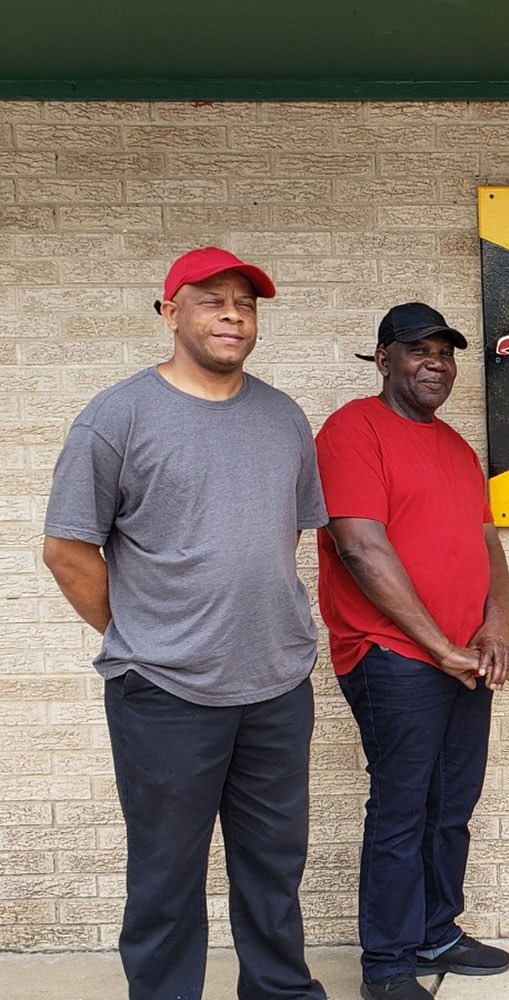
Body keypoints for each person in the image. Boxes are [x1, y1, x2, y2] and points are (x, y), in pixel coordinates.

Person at [41, 248, 328, 1000]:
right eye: (212, 300)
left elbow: (280, 537)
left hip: (275, 685)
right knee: (167, 877)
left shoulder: (283, 416)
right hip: (164, 692)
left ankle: (280, 992)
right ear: (170, 312)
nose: (233, 314)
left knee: (273, 867)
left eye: (246, 303)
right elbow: (68, 551)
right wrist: (145, 635)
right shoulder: (117, 417)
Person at [315, 302, 509, 1000]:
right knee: (402, 807)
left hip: (464, 658)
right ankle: (389, 963)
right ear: (383, 359)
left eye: (446, 352)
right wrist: (439, 647)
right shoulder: (352, 431)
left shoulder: (457, 449)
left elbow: (487, 543)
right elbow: (360, 548)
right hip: (392, 655)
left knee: (451, 802)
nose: (436, 363)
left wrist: (494, 625)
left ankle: (437, 929)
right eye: (417, 350)